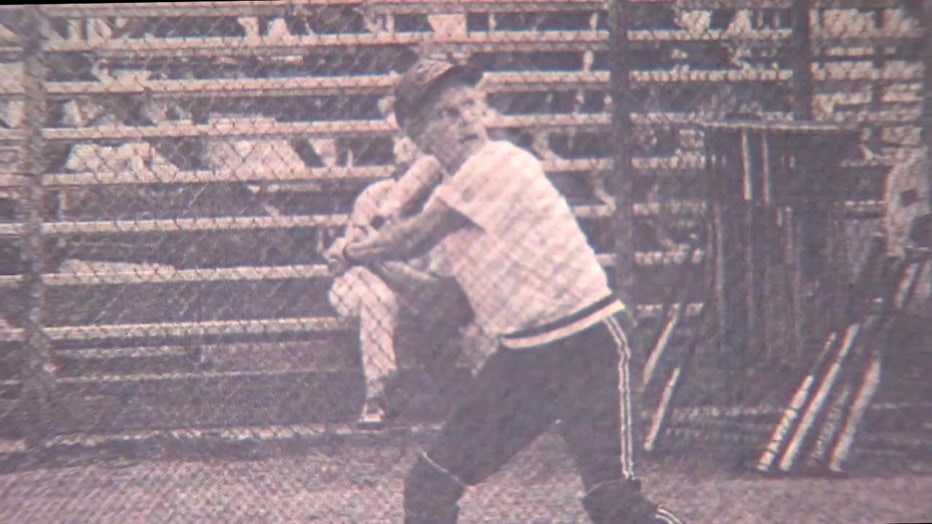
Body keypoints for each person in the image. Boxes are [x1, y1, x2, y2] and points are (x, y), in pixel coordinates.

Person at [333, 57, 683, 523]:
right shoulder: (452, 194)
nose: (467, 121)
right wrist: (375, 260)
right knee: (430, 485)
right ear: (417, 135)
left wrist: (358, 247)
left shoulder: (501, 164)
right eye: (447, 114)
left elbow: (414, 236)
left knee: (613, 503)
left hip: (589, 345)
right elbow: (445, 306)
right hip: (525, 360)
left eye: (471, 106)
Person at [325, 154, 475, 429]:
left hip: (411, 288)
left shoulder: (442, 209)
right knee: (378, 297)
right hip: (358, 283)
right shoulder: (377, 194)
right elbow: (355, 254)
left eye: (425, 176)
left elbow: (431, 283)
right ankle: (376, 395)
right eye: (407, 172)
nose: (414, 182)